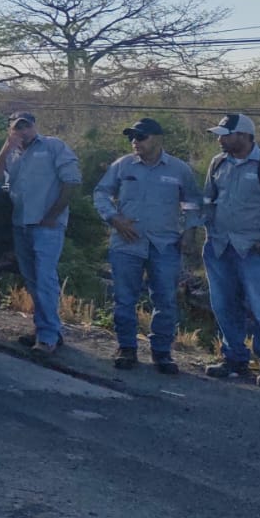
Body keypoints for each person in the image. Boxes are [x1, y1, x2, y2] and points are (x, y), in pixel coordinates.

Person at [93, 118, 202, 375]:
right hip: (126, 244)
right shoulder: (122, 165)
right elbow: (101, 193)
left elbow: (192, 202)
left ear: (158, 139)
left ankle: (162, 352)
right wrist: (113, 218)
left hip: (165, 245)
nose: (135, 142)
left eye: (141, 137)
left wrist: (190, 231)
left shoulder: (179, 169)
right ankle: (126, 348)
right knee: (124, 299)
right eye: (132, 137)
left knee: (165, 300)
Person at [200, 113, 260, 389]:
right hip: (220, 247)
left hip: (257, 251)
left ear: (243, 136)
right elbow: (208, 201)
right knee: (223, 305)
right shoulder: (218, 163)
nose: (220, 140)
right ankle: (234, 359)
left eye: (225, 135)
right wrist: (208, 231)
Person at [0, 111, 80, 354]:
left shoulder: (53, 146)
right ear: (10, 130)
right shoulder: (11, 153)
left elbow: (71, 181)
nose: (23, 131)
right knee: (32, 280)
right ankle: (46, 329)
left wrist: (52, 216)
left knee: (45, 278)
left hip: (47, 227)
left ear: (35, 126)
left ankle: (47, 337)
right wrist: (6, 148)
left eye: (26, 126)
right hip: (21, 224)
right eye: (17, 127)